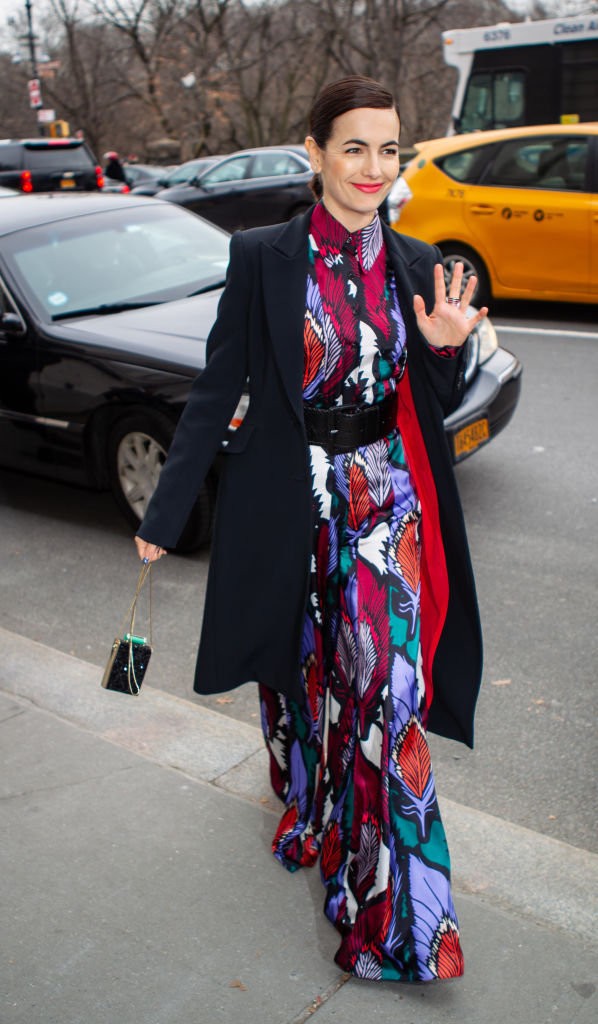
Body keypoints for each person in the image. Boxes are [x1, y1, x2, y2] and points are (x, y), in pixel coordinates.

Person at [135, 76, 485, 983]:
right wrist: (165, 512)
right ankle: (320, 815)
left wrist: (444, 347)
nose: (375, 168)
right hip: (294, 504)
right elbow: (221, 384)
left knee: (386, 700)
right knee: (304, 682)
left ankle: (402, 922)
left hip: (387, 510)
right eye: (356, 147)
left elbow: (432, 408)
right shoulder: (264, 256)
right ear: (316, 154)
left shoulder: (416, 264)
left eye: (390, 149)